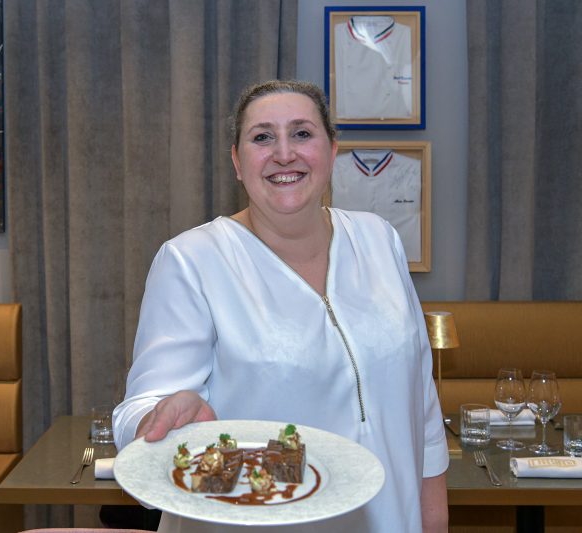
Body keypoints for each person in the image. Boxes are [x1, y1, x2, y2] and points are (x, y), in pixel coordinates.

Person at [113, 79, 449, 532]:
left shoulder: (379, 240)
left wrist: (433, 523)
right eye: (262, 137)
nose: (284, 153)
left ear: (332, 151)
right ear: (237, 160)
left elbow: (422, 412)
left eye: (303, 133)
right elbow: (141, 408)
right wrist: (161, 418)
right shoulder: (192, 261)